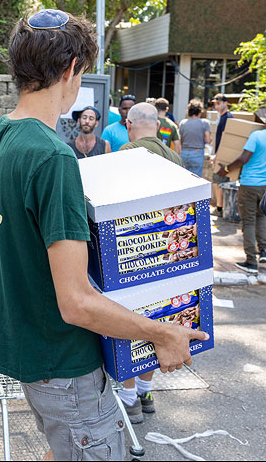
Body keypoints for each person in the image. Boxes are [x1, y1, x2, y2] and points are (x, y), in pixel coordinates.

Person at [0, 8, 208, 461]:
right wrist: (161, 332)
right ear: (71, 70)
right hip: (65, 365)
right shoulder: (52, 157)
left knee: (63, 450)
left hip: (24, 351)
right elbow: (76, 300)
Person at [118, 102, 183, 423]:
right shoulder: (175, 158)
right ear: (158, 126)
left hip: (133, 254)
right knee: (159, 320)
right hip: (169, 257)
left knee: (130, 326)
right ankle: (145, 391)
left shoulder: (125, 154)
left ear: (128, 124)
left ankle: (128, 398)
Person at [216, 128, 266, 275]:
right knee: (262, 217)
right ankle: (263, 251)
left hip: (250, 184)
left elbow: (243, 159)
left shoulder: (256, 135)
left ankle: (251, 261)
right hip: (264, 186)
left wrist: (225, 169)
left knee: (248, 222)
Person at [211, 94, 234, 217]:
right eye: (215, 104)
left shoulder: (228, 118)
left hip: (223, 156)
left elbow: (225, 140)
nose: (216, 106)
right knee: (219, 182)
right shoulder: (223, 117)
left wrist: (217, 155)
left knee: (220, 182)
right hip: (220, 154)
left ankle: (219, 209)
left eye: (219, 103)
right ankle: (220, 208)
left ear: (226, 103)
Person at [178, 99, 211, 176]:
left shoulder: (183, 123)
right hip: (197, 153)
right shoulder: (204, 123)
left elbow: (179, 140)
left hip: (184, 153)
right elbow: (208, 140)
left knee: (184, 178)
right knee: (196, 180)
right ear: (199, 112)